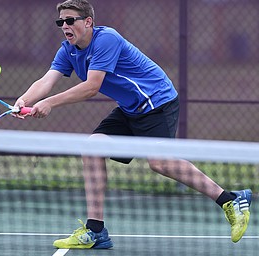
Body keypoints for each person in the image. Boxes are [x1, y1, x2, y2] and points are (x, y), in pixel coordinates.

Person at [14, 0, 252, 249]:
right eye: (60, 22)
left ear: (88, 22)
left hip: (157, 102)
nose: (65, 26)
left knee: (159, 162)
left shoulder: (106, 39)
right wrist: (24, 100)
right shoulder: (68, 51)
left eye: (70, 20)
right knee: (92, 148)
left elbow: (92, 87)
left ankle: (230, 199)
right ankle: (96, 231)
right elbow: (46, 80)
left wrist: (50, 103)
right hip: (130, 108)